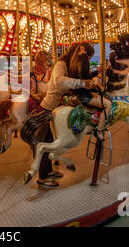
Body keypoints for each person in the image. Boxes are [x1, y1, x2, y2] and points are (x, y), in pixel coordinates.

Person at [36, 42, 99, 188]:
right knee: (47, 142)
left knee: (53, 141)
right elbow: (59, 81)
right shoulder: (61, 64)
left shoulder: (70, 66)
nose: (87, 61)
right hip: (49, 107)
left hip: (60, 108)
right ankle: (42, 177)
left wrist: (93, 76)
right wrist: (82, 83)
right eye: (86, 57)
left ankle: (49, 170)